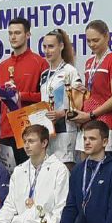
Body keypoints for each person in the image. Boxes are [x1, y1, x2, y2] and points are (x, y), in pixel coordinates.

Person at [0, 18, 48, 166]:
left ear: (28, 35)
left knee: (31, 173)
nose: (13, 37)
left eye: (17, 33)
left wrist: (21, 95)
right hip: (6, 131)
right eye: (10, 33)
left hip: (30, 130)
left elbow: (46, 97)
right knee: (10, 176)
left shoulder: (40, 63)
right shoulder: (3, 66)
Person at [69, 20, 112, 157]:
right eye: (88, 41)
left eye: (95, 40)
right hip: (87, 124)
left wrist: (91, 115)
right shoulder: (89, 62)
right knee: (85, 167)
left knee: (104, 168)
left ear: (107, 36)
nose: (91, 44)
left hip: (106, 125)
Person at [40, 28, 81, 170]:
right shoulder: (44, 74)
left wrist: (61, 113)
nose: (47, 51)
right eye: (44, 47)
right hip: (48, 131)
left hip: (65, 130)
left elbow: (78, 103)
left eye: (51, 46)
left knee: (65, 171)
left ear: (61, 46)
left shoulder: (70, 71)